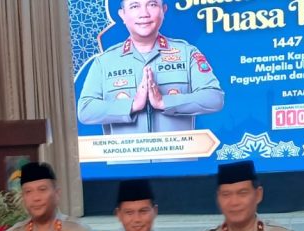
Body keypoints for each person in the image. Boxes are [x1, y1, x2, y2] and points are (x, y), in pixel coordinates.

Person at [78, 0, 224, 135]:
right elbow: (85, 110)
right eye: (135, 6)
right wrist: (133, 105)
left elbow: (214, 98)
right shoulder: (105, 61)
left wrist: (163, 102)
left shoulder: (187, 53)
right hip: (125, 154)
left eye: (152, 4)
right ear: (122, 14)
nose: (144, 14)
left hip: (179, 153)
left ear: (163, 10)